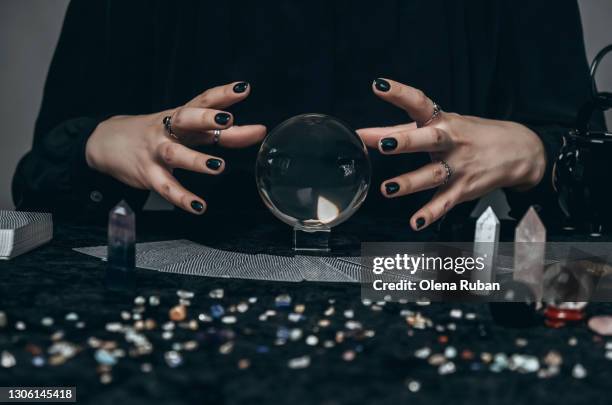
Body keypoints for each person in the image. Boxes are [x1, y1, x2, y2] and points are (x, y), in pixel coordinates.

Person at [12, 0, 605, 230]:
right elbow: (42, 188)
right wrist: (99, 142)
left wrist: (536, 155)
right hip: (194, 284)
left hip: (427, 282)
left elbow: (594, 200)